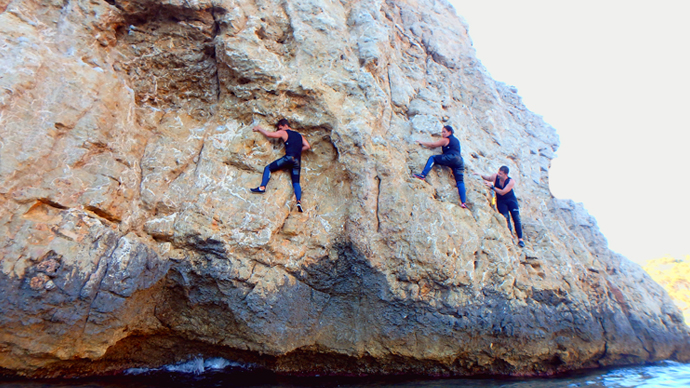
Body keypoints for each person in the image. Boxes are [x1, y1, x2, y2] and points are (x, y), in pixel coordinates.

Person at [250, 119, 310, 212]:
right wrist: (297, 151)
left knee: (268, 168)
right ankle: (298, 201)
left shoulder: (284, 132)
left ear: (285, 125)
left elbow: (269, 134)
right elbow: (307, 146)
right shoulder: (299, 135)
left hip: (288, 158)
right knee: (296, 182)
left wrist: (259, 128)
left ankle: (262, 187)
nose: (279, 130)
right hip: (297, 161)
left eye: (280, 128)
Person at [412, 125, 467, 208]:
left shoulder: (446, 139)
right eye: (442, 132)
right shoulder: (456, 141)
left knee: (433, 158)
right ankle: (463, 202)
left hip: (451, 157)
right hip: (459, 161)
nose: (442, 133)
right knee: (460, 181)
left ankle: (423, 175)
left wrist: (422, 142)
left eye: (444, 131)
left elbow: (433, 144)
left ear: (450, 132)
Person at [479, 166, 525, 247]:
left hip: (511, 200)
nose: (498, 174)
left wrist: (492, 187)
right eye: (498, 172)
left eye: (501, 173)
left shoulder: (511, 181)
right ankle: (510, 235)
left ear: (505, 174)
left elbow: (503, 192)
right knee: (505, 218)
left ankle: (520, 239)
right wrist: (479, 174)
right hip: (501, 201)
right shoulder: (495, 176)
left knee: (516, 218)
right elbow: (488, 177)